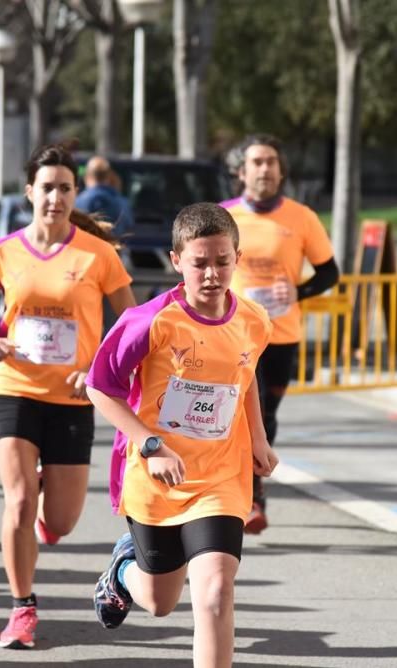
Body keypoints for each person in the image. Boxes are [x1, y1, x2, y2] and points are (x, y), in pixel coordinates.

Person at [0, 143, 135, 650]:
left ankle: (43, 509)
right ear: (29, 192)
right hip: (14, 390)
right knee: (15, 500)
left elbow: (130, 324)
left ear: (75, 192)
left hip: (73, 400)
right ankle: (21, 609)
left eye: (65, 188)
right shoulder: (4, 251)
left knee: (60, 521)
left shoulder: (97, 254)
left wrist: (97, 367)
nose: (55, 197)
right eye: (47, 188)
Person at [86, 202, 278, 668]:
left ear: (237, 257)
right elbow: (100, 387)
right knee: (159, 601)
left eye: (222, 261)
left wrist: (257, 438)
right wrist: (151, 446)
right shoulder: (150, 321)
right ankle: (124, 571)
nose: (212, 274)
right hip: (159, 480)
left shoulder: (253, 320)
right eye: (199, 263)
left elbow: (244, 374)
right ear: (177, 261)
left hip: (221, 479)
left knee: (214, 593)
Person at [222, 134, 339, 534]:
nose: (265, 169)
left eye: (271, 161)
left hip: (280, 335)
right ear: (241, 172)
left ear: (281, 170)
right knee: (229, 414)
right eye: (257, 162)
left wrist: (298, 290)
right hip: (229, 336)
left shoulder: (301, 217)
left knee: (264, 416)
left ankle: (253, 496)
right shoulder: (223, 217)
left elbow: (330, 272)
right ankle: (236, 495)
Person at [76, 156, 134, 237]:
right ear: (109, 176)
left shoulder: (77, 202)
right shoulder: (122, 203)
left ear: (87, 176)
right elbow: (129, 228)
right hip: (114, 248)